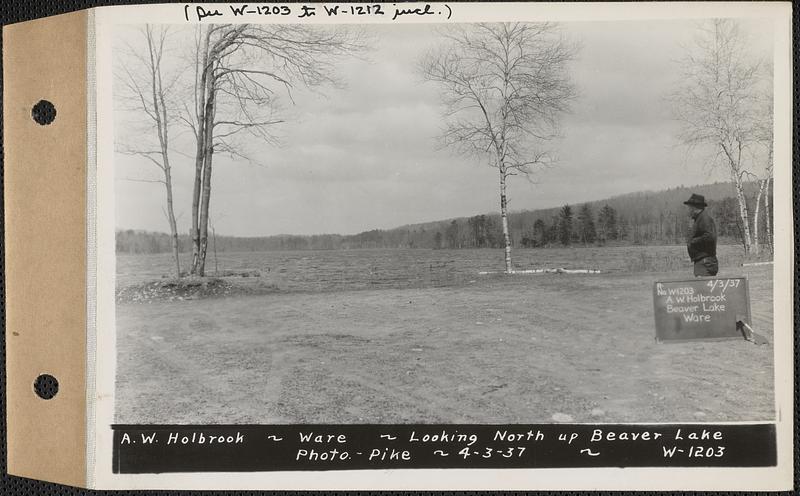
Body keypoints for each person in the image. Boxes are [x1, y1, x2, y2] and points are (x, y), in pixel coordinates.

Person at [684, 193, 718, 277]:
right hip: (703, 261)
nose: (688, 210)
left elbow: (710, 236)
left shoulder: (704, 218)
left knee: (703, 288)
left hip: (705, 262)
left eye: (690, 207)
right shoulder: (700, 218)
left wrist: (693, 241)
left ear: (695, 207)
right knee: (702, 288)